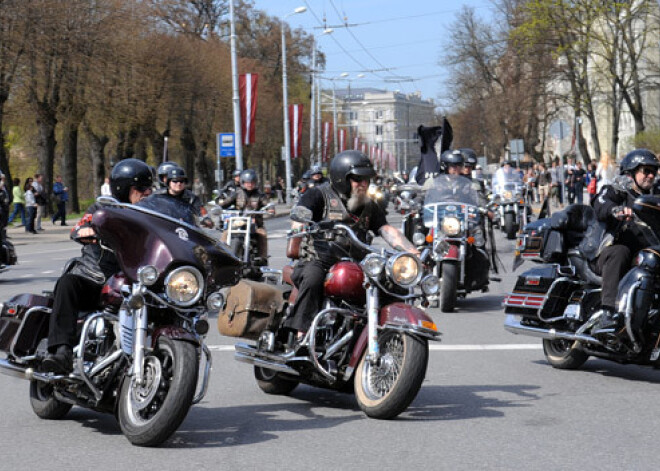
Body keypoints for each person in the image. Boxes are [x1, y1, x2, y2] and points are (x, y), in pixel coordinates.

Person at [286, 150, 419, 340]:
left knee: (391, 281)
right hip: (319, 261)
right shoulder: (319, 195)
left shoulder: (369, 205)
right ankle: (301, 335)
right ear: (342, 178)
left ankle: (390, 333)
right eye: (358, 179)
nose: (363, 184)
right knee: (313, 277)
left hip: (356, 264)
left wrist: (413, 252)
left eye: (366, 179)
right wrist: (300, 224)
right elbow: (302, 211)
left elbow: (386, 229)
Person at [42, 158, 154, 374]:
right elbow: (80, 226)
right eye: (141, 188)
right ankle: (60, 352)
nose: (147, 192)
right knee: (68, 283)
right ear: (123, 188)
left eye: (149, 187)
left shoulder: (152, 214)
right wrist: (86, 230)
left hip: (137, 282)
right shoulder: (102, 207)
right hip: (96, 278)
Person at [590, 149, 660, 336]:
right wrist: (616, 210)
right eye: (646, 170)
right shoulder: (617, 189)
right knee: (620, 251)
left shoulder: (655, 196)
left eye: (654, 171)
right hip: (608, 253)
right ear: (631, 171)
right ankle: (607, 313)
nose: (651, 175)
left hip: (644, 255)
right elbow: (600, 203)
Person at [218, 169, 273, 259]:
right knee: (226, 232)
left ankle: (262, 258)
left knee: (262, 234)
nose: (250, 185)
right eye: (247, 182)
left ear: (255, 183)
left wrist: (270, 209)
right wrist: (219, 205)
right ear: (243, 182)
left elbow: (268, 203)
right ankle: (222, 255)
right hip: (239, 222)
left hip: (255, 224)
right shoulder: (237, 193)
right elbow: (225, 203)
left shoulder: (260, 195)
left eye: (252, 182)